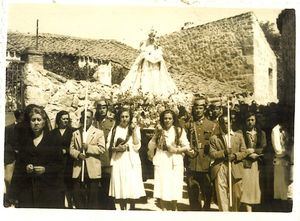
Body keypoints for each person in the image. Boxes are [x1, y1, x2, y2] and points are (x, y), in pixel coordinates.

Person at [14, 106, 63, 208]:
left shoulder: (53, 140)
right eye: (33, 120)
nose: (36, 123)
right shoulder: (25, 141)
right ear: (30, 122)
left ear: (44, 122)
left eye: (39, 120)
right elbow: (19, 165)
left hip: (48, 189)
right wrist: (26, 168)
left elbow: (59, 164)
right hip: (28, 189)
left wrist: (46, 169)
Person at [148, 109, 194, 211]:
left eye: (169, 118)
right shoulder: (159, 131)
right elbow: (151, 145)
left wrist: (176, 150)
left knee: (175, 182)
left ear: (173, 120)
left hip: (175, 159)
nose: (167, 120)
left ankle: (174, 206)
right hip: (162, 158)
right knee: (162, 182)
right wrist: (157, 135)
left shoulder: (178, 130)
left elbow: (186, 146)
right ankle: (163, 206)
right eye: (165, 118)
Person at [209, 113, 249, 211]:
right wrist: (224, 152)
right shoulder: (214, 138)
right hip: (221, 166)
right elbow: (212, 154)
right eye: (222, 123)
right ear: (219, 124)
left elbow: (244, 152)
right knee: (221, 193)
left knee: (237, 194)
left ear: (231, 123)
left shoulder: (239, 136)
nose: (225, 125)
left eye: (227, 123)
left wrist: (235, 156)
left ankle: (234, 213)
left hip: (235, 166)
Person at [107, 107, 145, 210]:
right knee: (119, 186)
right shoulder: (114, 129)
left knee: (130, 187)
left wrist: (133, 132)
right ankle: (119, 211)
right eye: (122, 116)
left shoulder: (135, 129)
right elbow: (108, 146)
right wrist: (117, 148)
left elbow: (137, 146)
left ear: (130, 117)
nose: (124, 119)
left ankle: (129, 211)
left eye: (127, 116)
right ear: (119, 118)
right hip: (118, 160)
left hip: (131, 160)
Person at [120, 29, 178, 97]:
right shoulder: (145, 43)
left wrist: (156, 56)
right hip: (147, 62)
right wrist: (147, 55)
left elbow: (159, 52)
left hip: (155, 63)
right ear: (149, 36)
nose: (152, 38)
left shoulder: (156, 44)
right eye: (150, 36)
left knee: (155, 75)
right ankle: (145, 91)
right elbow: (143, 52)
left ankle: (156, 92)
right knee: (146, 76)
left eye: (153, 36)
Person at [184, 98, 218, 211]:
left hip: (206, 161)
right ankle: (195, 210)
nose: (198, 110)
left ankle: (207, 207)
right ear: (193, 109)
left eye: (200, 108)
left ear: (204, 109)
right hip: (192, 161)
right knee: (192, 188)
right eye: (196, 108)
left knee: (207, 189)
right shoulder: (188, 125)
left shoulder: (212, 125)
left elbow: (215, 143)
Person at [70, 109, 106, 209]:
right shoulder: (76, 133)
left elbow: (102, 149)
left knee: (92, 199)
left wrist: (88, 148)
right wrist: (78, 154)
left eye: (88, 117)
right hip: (79, 169)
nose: (86, 119)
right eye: (84, 117)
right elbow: (71, 149)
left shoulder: (98, 133)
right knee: (77, 196)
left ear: (92, 119)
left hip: (92, 170)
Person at [240, 112, 267, 212]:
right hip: (246, 163)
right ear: (245, 121)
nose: (250, 122)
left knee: (256, 187)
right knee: (247, 187)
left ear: (255, 121)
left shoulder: (261, 133)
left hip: (257, 163)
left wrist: (254, 152)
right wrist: (247, 154)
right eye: (248, 120)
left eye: (252, 120)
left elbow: (264, 147)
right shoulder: (241, 133)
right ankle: (248, 210)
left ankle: (255, 208)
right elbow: (239, 148)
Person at [49, 110, 75, 208]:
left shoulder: (73, 132)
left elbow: (75, 146)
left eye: (67, 119)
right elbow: (50, 147)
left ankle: (70, 203)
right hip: (57, 163)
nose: (65, 121)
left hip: (69, 162)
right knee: (58, 184)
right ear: (59, 120)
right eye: (63, 119)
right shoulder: (52, 133)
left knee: (69, 185)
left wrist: (67, 150)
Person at [93, 99, 116, 210]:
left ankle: (108, 207)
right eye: (99, 108)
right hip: (94, 157)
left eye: (104, 108)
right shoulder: (93, 122)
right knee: (95, 184)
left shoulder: (111, 122)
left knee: (107, 183)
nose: (101, 110)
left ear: (107, 109)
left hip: (107, 158)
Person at [271, 111, 293, 212]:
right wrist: (289, 153)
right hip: (281, 163)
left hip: (290, 162)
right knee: (282, 190)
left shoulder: (288, 128)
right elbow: (278, 150)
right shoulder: (276, 130)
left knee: (290, 190)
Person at [4, 109, 23, 207]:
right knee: (8, 179)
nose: (22, 117)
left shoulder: (26, 128)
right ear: (17, 116)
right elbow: (5, 143)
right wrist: (13, 150)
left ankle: (17, 198)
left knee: (19, 178)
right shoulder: (8, 128)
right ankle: (8, 197)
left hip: (22, 157)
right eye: (20, 115)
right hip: (11, 156)